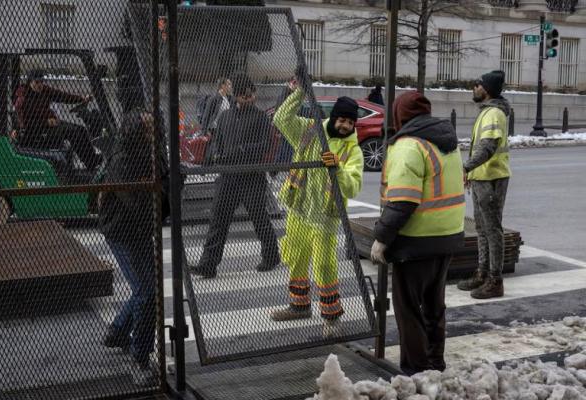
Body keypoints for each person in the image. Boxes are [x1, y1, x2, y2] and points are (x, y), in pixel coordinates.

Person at [370, 91, 465, 375]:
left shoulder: (408, 146)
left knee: (408, 309)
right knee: (434, 305)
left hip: (417, 241)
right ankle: (436, 361)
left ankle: (416, 370)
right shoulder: (447, 141)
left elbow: (402, 201)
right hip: (448, 235)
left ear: (399, 114)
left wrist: (382, 238)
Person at [270, 80, 364, 337]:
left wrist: (338, 169)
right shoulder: (310, 131)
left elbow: (353, 187)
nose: (345, 125)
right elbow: (281, 117)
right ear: (333, 118)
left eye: (350, 122)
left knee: (324, 265)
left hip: (324, 217)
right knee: (296, 256)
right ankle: (299, 306)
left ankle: (331, 316)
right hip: (299, 209)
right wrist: (299, 91)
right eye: (341, 120)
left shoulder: (352, 150)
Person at [99, 108, 168, 386]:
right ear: (135, 132)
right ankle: (140, 358)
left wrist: (157, 187)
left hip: (139, 230)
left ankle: (117, 332)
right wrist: (158, 189)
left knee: (144, 288)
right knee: (147, 292)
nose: (151, 134)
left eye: (154, 129)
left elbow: (159, 191)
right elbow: (139, 204)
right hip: (122, 231)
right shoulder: (123, 159)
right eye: (146, 130)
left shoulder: (150, 152)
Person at [190, 74, 280, 278]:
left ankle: (271, 255)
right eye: (244, 96)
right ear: (236, 96)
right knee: (218, 220)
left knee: (259, 218)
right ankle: (208, 264)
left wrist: (241, 150)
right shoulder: (224, 117)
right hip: (228, 176)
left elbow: (265, 145)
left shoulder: (260, 117)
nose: (248, 99)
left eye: (251, 95)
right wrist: (214, 154)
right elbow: (216, 142)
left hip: (251, 176)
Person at [457, 70, 511, 299]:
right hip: (482, 178)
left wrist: (465, 167)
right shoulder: (487, 112)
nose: (474, 88)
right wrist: (471, 173)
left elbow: (487, 148)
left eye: (477, 84)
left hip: (492, 178)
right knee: (482, 229)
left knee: (492, 230)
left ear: (486, 89)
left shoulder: (493, 114)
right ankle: (482, 274)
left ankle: (495, 280)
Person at [13, 69, 102, 170]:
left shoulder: (44, 90)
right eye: (37, 82)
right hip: (35, 131)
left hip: (50, 125)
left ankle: (92, 160)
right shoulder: (23, 99)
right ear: (30, 82)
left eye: (42, 81)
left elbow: (62, 96)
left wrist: (81, 98)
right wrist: (45, 122)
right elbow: (24, 123)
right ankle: (91, 163)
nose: (40, 85)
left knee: (80, 129)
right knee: (72, 132)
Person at [200, 77, 233, 163]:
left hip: (226, 128)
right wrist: (204, 130)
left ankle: (221, 164)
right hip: (215, 128)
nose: (230, 86)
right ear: (222, 86)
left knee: (224, 149)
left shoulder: (229, 99)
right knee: (214, 147)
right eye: (228, 84)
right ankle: (206, 166)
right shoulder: (214, 99)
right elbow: (206, 115)